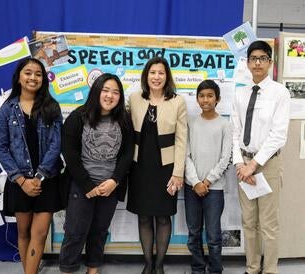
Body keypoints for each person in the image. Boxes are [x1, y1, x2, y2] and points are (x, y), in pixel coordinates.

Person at [59, 73, 134, 274]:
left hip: (109, 186)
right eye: (106, 90)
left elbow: (127, 154)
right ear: (96, 91)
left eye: (116, 92)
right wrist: (87, 185)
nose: (110, 96)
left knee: (99, 232)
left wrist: (115, 181)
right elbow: (70, 153)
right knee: (75, 232)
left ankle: (93, 269)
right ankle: (68, 269)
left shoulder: (124, 120)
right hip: (81, 186)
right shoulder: (78, 117)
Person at [0, 57, 63, 274]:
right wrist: (22, 180)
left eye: (38, 74)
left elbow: (56, 144)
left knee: (40, 233)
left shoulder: (52, 107)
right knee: (23, 232)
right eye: (28, 73)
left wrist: (39, 176)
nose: (33, 77)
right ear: (19, 77)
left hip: (47, 180)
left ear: (43, 79)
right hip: (19, 181)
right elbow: (2, 148)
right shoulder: (7, 109)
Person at [231, 40, 290, 274]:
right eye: (253, 58)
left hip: (267, 165)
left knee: (269, 225)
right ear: (247, 63)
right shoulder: (240, 94)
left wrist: (254, 165)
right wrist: (239, 163)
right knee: (249, 223)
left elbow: (278, 135)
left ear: (270, 62)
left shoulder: (280, 93)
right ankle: (252, 268)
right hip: (243, 165)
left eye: (262, 58)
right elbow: (235, 130)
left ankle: (270, 270)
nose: (257, 63)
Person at [127, 56, 187, 274]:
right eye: (152, 72)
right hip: (139, 167)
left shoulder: (177, 101)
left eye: (161, 73)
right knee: (143, 216)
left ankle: (160, 265)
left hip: (166, 169)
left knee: (163, 217)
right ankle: (148, 263)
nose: (156, 77)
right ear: (146, 76)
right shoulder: (134, 99)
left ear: (167, 76)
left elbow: (182, 140)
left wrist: (178, 173)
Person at [184, 79, 232, 274]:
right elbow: (185, 155)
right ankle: (197, 268)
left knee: (213, 235)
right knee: (193, 232)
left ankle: (215, 269)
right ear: (197, 99)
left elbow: (225, 157)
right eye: (202, 96)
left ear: (217, 99)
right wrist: (195, 182)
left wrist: (207, 181)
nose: (206, 99)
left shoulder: (224, 125)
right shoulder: (191, 123)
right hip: (192, 188)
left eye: (210, 96)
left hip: (215, 189)